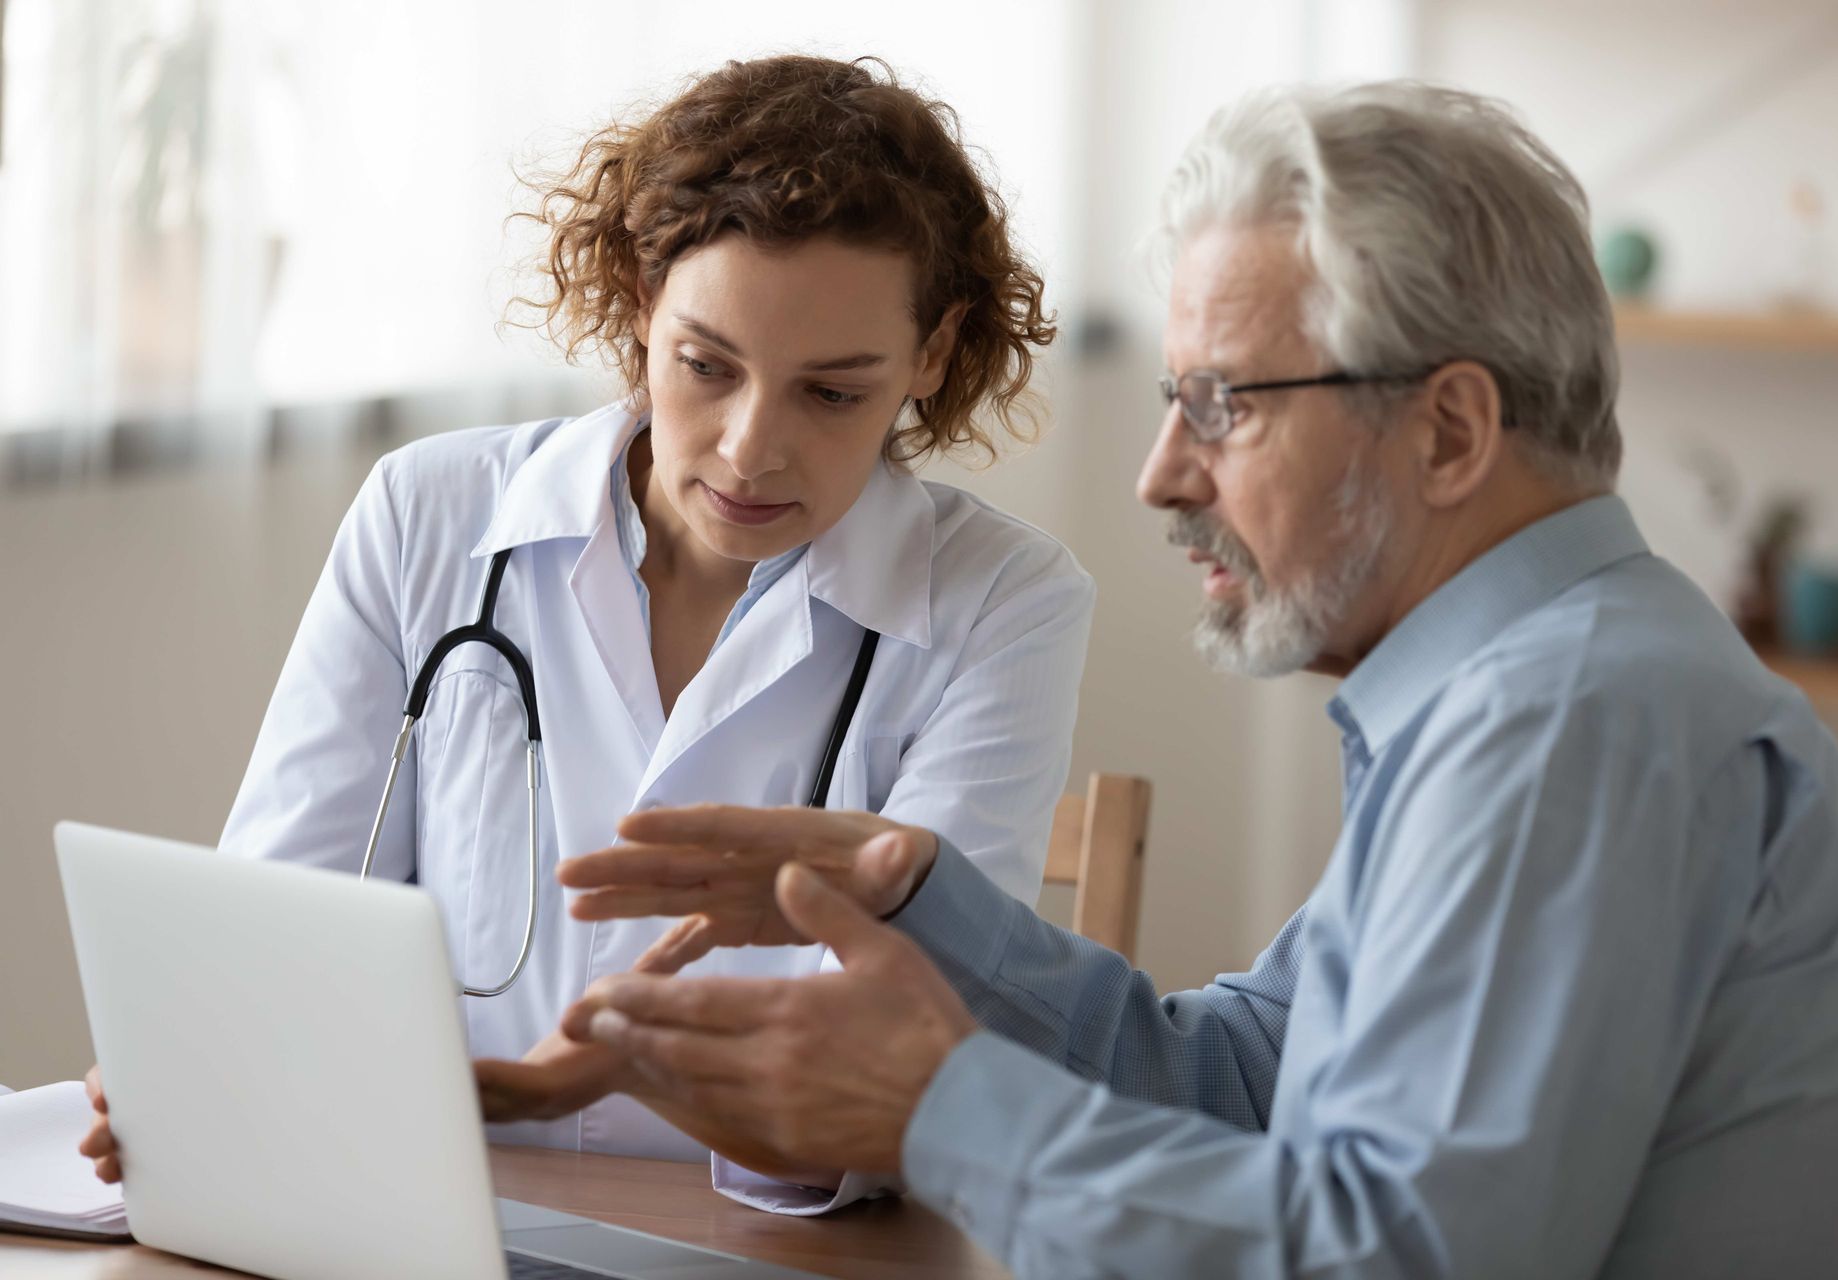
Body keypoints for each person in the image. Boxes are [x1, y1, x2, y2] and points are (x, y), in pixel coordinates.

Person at [533, 83, 1838, 1275]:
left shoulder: (1568, 717)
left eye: (1224, 406)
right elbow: (1252, 1085)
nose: (1160, 475)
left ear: (1447, 431)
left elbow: (1395, 1256)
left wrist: (934, 1105)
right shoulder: (1528, 683)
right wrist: (920, 906)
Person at [79, 54, 1094, 1216]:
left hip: (771, 1241)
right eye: (705, 366)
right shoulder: (428, 515)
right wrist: (202, 1074)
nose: (749, 447)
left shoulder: (1006, 599)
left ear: (931, 353)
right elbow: (269, 926)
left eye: (831, 393)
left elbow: (908, 1041)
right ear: (636, 302)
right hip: (413, 1210)